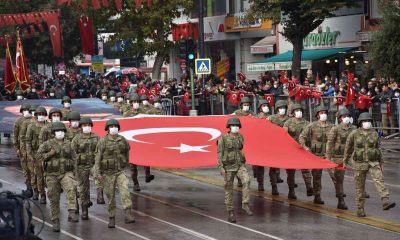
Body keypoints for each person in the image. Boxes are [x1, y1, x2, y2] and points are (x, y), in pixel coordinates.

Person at [343, 112, 396, 217]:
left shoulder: (374, 134)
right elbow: (347, 149)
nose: (367, 123)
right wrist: (345, 162)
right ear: (360, 123)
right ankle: (360, 208)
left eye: (368, 121)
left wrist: (381, 163)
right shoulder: (354, 134)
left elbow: (378, 148)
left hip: (373, 162)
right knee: (359, 187)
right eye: (364, 121)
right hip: (359, 163)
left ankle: (385, 200)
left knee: (379, 179)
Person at [36, 122, 79, 232]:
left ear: (64, 132)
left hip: (66, 172)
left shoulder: (69, 144)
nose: (59, 133)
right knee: (54, 198)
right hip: (52, 174)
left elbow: (74, 159)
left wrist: (75, 175)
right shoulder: (47, 144)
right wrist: (50, 154)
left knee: (71, 188)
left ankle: (72, 212)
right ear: (53, 133)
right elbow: (38, 156)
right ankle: (55, 220)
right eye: (57, 131)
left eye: (61, 131)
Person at [94, 119, 135, 228]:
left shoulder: (123, 140)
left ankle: (128, 214)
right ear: (107, 129)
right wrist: (98, 173)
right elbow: (98, 158)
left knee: (125, 191)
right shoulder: (103, 141)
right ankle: (111, 217)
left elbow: (127, 152)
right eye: (111, 126)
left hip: (120, 171)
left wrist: (125, 165)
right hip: (108, 173)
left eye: (115, 126)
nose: (113, 128)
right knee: (110, 196)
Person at [218, 117, 253, 223]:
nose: (235, 127)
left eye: (237, 126)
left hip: (239, 165)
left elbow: (240, 149)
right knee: (229, 189)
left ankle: (245, 204)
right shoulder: (223, 139)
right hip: (228, 167)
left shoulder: (240, 137)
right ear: (229, 127)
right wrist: (221, 167)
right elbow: (219, 153)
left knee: (246, 180)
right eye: (233, 125)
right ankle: (230, 212)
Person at [299, 105, 333, 204]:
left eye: (325, 113)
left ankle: (340, 196)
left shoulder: (331, 126)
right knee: (317, 177)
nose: (323, 115)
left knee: (335, 175)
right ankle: (317, 196)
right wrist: (305, 147)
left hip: (328, 156)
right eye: (321, 113)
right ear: (317, 115)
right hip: (316, 155)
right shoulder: (312, 126)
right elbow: (302, 137)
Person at [325, 108, 356, 210]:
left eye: (348, 116)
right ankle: (341, 200)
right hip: (338, 158)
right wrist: (328, 159)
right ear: (340, 118)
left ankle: (362, 191)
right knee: (339, 179)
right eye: (344, 116)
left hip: (351, 157)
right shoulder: (335, 129)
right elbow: (330, 144)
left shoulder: (354, 129)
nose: (346, 118)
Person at [71, 117, 100, 220]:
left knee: (98, 175)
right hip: (81, 167)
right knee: (84, 189)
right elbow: (72, 154)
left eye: (88, 125)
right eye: (84, 125)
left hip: (93, 164)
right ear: (81, 127)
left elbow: (100, 152)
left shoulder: (96, 137)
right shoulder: (76, 139)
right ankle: (84, 209)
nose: (86, 127)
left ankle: (99, 194)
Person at [283, 103, 313, 199]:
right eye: (296, 111)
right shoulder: (288, 123)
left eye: (300, 110)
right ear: (293, 113)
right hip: (291, 151)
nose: (299, 112)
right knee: (291, 172)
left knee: (306, 170)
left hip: (302, 149)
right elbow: (284, 134)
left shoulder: (307, 123)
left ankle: (309, 187)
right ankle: (291, 191)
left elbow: (311, 135)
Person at [26, 107, 49, 204]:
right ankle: (41, 194)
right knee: (38, 175)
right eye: (39, 114)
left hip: (47, 154)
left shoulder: (49, 126)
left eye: (43, 114)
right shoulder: (31, 127)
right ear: (36, 116)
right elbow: (28, 141)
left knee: (47, 175)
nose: (41, 116)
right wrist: (29, 154)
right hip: (36, 154)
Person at [267, 100, 289, 195]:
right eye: (280, 108)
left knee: (290, 168)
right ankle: (274, 186)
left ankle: (291, 189)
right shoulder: (271, 118)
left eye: (284, 108)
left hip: (286, 146)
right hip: (274, 145)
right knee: (273, 167)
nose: (282, 109)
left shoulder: (289, 119)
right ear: (277, 109)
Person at [13, 103, 32, 192]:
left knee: (35, 170)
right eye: (24, 110)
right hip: (23, 148)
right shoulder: (18, 121)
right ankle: (29, 187)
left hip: (33, 148)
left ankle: (37, 188)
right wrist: (17, 148)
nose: (26, 111)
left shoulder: (34, 120)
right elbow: (15, 135)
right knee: (26, 169)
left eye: (27, 109)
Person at [253, 99, 270, 191]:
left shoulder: (271, 118)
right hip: (259, 142)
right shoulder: (256, 118)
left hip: (269, 142)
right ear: (260, 108)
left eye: (266, 105)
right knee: (259, 165)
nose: (265, 107)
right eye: (263, 106)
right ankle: (261, 183)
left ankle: (274, 183)